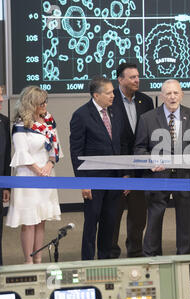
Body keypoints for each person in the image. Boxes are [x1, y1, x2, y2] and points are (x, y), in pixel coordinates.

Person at [134, 79, 190, 256]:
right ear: (162, 96)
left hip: (186, 177)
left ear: (182, 94)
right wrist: (151, 162)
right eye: (168, 93)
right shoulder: (147, 118)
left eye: (176, 93)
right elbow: (139, 148)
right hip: (157, 177)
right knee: (154, 220)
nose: (172, 97)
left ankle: (185, 256)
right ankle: (151, 256)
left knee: (186, 220)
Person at [6, 86, 62, 264]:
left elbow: (55, 147)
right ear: (31, 104)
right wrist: (38, 170)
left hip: (47, 174)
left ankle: (38, 259)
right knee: (29, 221)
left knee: (41, 219)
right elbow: (22, 153)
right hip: (28, 176)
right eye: (41, 102)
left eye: (46, 101)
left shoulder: (49, 121)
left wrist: (49, 164)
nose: (45, 105)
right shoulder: (21, 125)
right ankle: (28, 261)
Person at [70, 76, 123, 260]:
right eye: (108, 93)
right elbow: (76, 152)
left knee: (109, 222)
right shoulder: (81, 115)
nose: (113, 96)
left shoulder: (115, 111)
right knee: (92, 223)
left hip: (114, 178)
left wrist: (123, 174)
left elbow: (119, 144)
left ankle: (105, 259)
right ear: (96, 95)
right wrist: (83, 182)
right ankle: (87, 261)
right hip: (92, 179)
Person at [110, 63, 154, 258]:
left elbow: (149, 136)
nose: (137, 80)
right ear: (120, 80)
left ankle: (135, 251)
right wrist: (123, 173)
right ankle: (110, 252)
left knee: (138, 216)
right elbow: (111, 140)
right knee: (113, 214)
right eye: (132, 77)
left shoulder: (145, 101)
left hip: (140, 170)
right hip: (116, 169)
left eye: (137, 76)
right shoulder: (109, 100)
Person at [0, 85, 11, 265]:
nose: (2, 99)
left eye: (1, 95)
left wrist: (7, 185)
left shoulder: (3, 121)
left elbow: (7, 155)